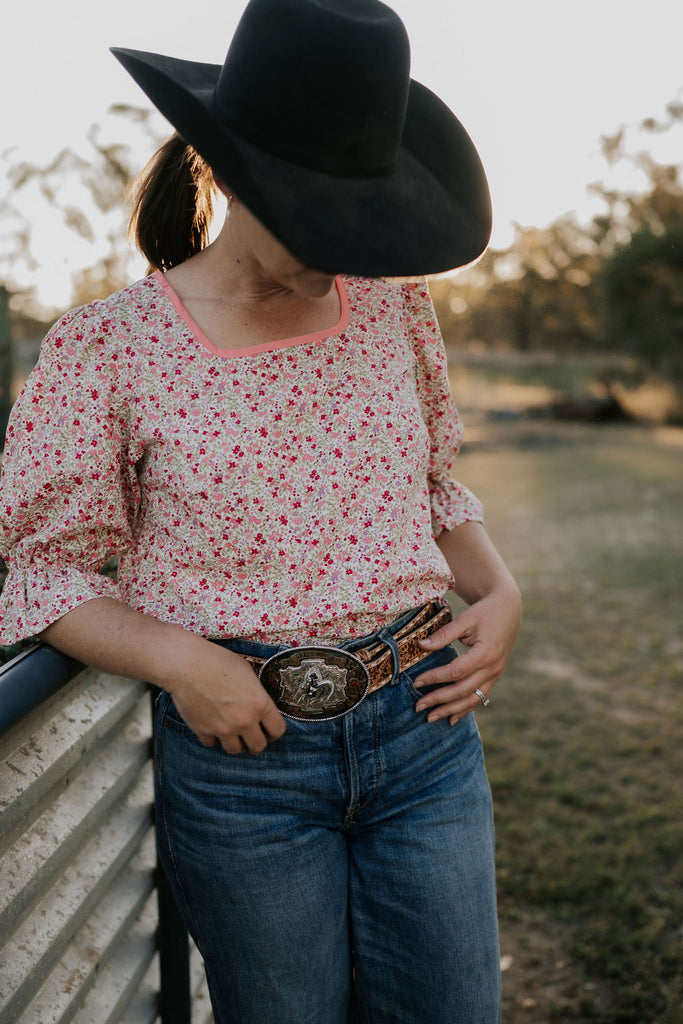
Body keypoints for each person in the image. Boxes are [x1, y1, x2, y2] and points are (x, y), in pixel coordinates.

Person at [0, 1, 522, 1021]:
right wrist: (185, 662)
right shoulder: (106, 351)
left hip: (424, 738)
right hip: (246, 767)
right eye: (316, 212)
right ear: (229, 172)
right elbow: (48, 574)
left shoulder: (394, 309)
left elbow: (430, 486)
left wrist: (498, 587)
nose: (345, 248)